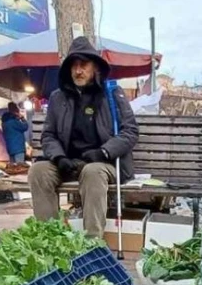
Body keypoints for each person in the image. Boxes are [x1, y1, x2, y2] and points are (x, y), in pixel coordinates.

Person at [28, 36, 138, 238]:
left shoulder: (112, 93)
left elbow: (129, 131)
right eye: (74, 66)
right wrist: (59, 157)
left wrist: (104, 151)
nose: (78, 70)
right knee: (38, 170)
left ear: (95, 66)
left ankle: (91, 242)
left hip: (103, 163)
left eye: (84, 65)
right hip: (68, 162)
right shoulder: (57, 97)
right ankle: (49, 239)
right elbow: (49, 135)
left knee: (92, 172)